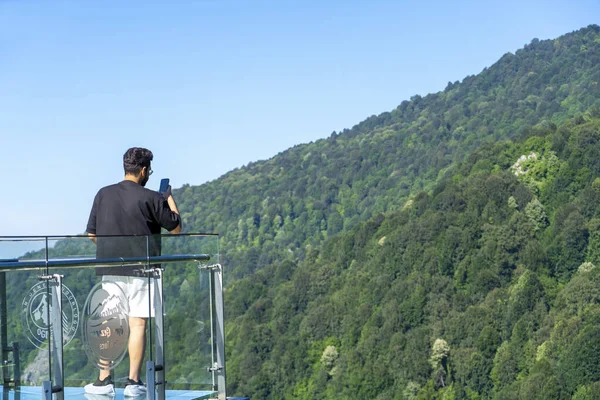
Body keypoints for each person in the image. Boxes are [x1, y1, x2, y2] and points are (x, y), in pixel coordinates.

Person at [84, 147, 182, 396]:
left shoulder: (103, 194)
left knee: (109, 322)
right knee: (137, 324)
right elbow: (176, 227)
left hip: (110, 269)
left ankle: (103, 381)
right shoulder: (152, 197)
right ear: (144, 170)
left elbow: (92, 234)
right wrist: (168, 197)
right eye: (149, 169)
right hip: (143, 270)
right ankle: (132, 382)